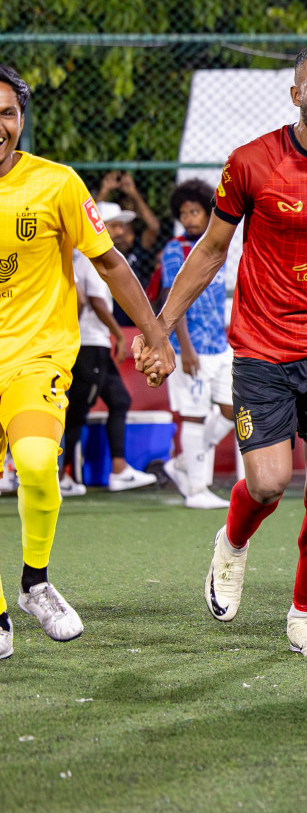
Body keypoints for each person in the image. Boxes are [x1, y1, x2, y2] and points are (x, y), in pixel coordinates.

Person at [141, 43, 307, 659]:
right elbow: (208, 251)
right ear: (296, 95)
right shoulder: (251, 162)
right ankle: (231, 543)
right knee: (269, 481)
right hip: (263, 345)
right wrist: (159, 329)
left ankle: (303, 615)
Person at [0, 64, 174, 662]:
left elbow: (111, 264)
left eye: (7, 112)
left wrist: (155, 334)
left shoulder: (57, 185)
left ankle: (34, 584)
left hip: (35, 356)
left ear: (20, 119)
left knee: (35, 463)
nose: (0, 124)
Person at [160, 178, 236, 509]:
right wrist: (185, 348)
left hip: (220, 345)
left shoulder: (217, 247)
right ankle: (194, 490)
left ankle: (181, 464)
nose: (189, 218)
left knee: (233, 410)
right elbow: (173, 299)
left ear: (208, 215)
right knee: (192, 415)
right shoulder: (175, 250)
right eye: (184, 213)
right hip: (188, 349)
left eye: (195, 212)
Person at [62, 247, 156, 494]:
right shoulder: (91, 257)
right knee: (76, 412)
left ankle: (119, 470)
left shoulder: (85, 257)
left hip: (96, 343)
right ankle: (60, 476)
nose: (120, 231)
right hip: (88, 343)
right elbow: (94, 300)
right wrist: (119, 334)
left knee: (119, 399)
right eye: (113, 225)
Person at [96, 170, 162, 292]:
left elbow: (154, 227)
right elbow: (92, 223)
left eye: (122, 224)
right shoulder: (104, 246)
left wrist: (133, 193)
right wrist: (104, 190)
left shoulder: (139, 242)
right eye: (114, 225)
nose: (120, 231)